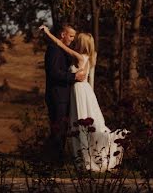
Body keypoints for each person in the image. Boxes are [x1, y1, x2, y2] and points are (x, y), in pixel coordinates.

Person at [41, 25, 128, 172]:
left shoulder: (79, 57)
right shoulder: (90, 56)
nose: (74, 40)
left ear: (82, 43)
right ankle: (74, 159)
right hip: (84, 91)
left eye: (77, 39)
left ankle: (80, 160)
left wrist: (48, 33)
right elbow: (90, 79)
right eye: (72, 37)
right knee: (78, 125)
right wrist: (91, 97)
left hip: (79, 91)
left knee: (79, 125)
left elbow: (59, 43)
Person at [44, 24, 85, 161]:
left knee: (62, 129)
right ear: (62, 35)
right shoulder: (54, 50)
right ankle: (53, 160)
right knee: (58, 128)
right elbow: (54, 73)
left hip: (64, 95)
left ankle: (56, 158)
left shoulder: (64, 50)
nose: (72, 39)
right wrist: (73, 77)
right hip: (57, 95)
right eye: (71, 36)